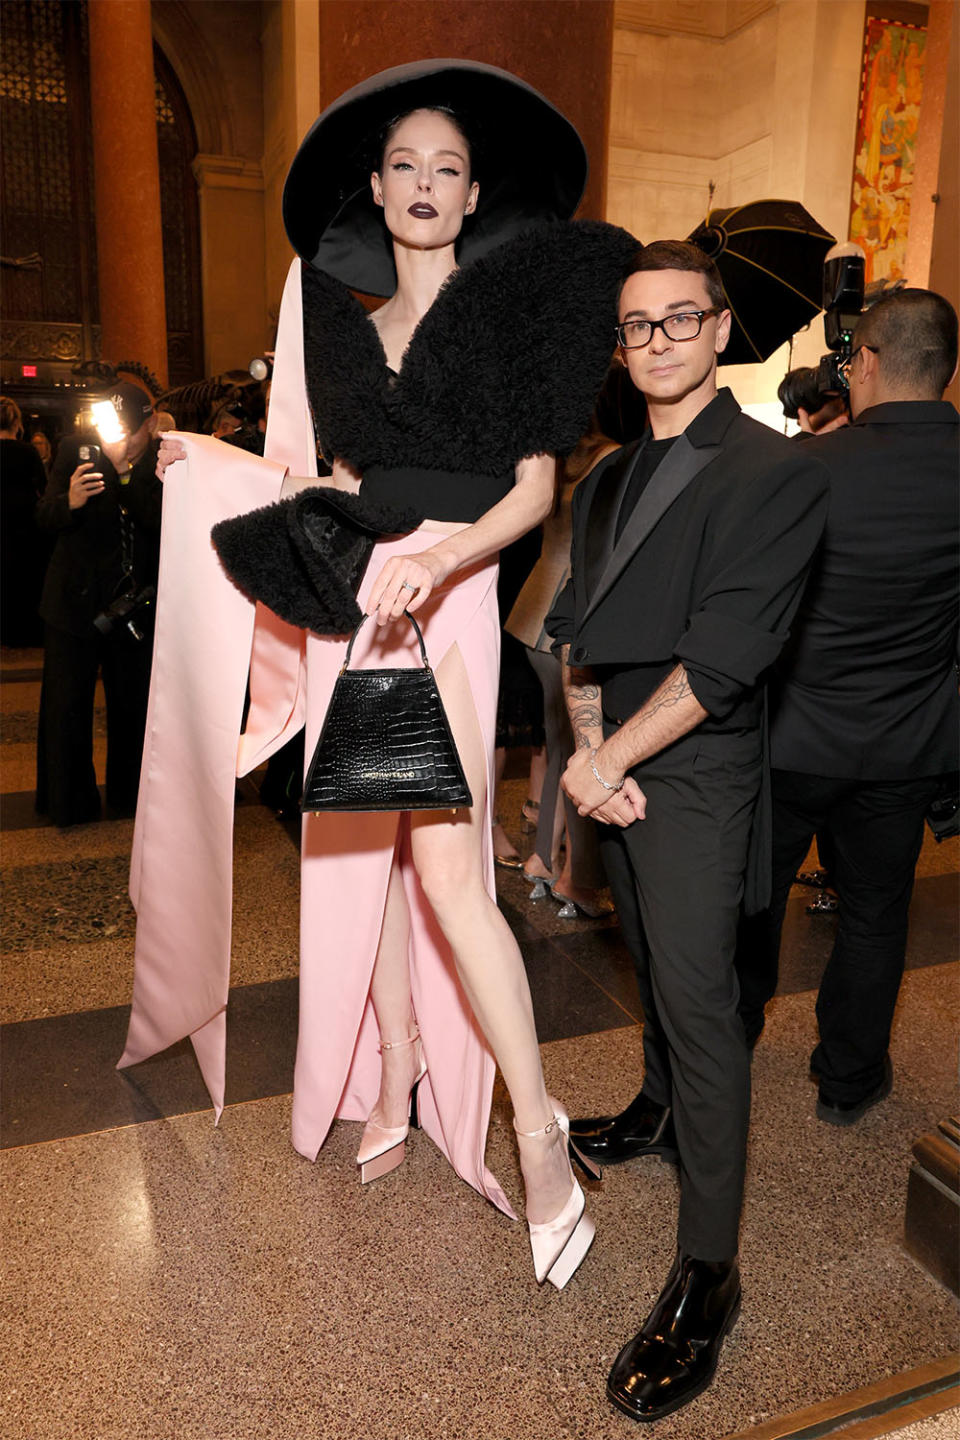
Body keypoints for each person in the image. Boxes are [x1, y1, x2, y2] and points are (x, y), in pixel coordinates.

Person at [122, 61, 637, 1289]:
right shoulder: (342, 332)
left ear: (470, 199)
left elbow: (529, 495)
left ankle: (540, 1129)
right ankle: (399, 1064)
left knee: (452, 879)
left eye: (445, 170)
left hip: (447, 610)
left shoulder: (505, 317)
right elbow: (347, 485)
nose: (421, 185)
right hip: (363, 607)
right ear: (376, 185)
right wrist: (211, 461)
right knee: (389, 853)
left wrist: (442, 565)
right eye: (402, 164)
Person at [546, 240, 829, 1420]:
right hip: (614, 767)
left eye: (677, 320)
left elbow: (724, 659)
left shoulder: (771, 470)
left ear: (720, 331)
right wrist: (585, 746)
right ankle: (657, 1109)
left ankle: (709, 1272)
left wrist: (606, 757)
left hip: (695, 774)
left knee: (707, 1010)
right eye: (634, 327)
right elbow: (571, 625)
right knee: (654, 969)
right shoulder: (607, 476)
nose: (655, 342)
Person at [736, 289, 960, 1122]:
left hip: (792, 738)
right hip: (907, 745)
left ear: (863, 362)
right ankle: (850, 1077)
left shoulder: (810, 468)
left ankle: (731, 1034)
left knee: (751, 896)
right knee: (874, 915)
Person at [35, 380, 161, 825]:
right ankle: (69, 802)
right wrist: (68, 502)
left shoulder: (166, 459)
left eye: (132, 428)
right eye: (114, 426)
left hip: (134, 608)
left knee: (132, 706)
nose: (120, 436)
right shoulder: (75, 449)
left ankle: (132, 798)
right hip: (73, 604)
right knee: (66, 706)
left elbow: (158, 521)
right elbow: (44, 516)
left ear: (149, 423)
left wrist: (123, 470)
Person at [1, 396, 49, 646]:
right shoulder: (28, 451)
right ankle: (23, 632)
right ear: (16, 423)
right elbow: (43, 486)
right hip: (23, 521)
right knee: (23, 578)